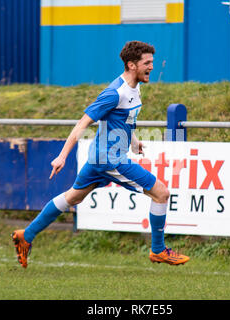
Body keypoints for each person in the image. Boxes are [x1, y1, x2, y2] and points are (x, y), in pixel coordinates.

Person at [12, 41, 190, 268]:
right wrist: (62, 156)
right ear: (132, 65)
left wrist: (133, 142)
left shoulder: (135, 87)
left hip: (100, 158)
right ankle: (158, 251)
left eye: (152, 62)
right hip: (110, 159)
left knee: (73, 197)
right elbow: (82, 123)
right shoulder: (115, 93)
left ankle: (25, 236)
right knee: (162, 193)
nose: (152, 67)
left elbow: (124, 119)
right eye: (147, 63)